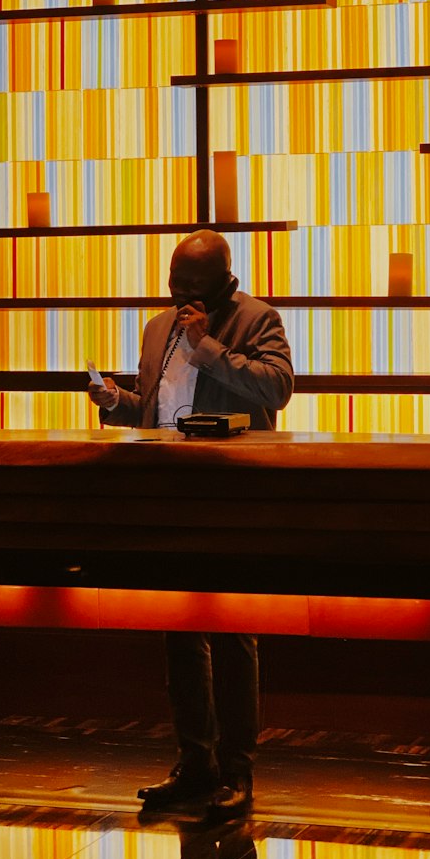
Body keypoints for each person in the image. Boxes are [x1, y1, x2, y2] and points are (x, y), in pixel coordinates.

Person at [89, 229, 293, 819]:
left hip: (233, 499)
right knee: (177, 629)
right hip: (165, 498)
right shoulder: (157, 328)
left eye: (193, 288)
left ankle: (237, 772)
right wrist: (116, 402)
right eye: (175, 285)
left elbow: (276, 390)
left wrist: (207, 347)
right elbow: (156, 410)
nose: (181, 298)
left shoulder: (257, 319)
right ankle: (194, 762)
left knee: (233, 633)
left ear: (225, 281)